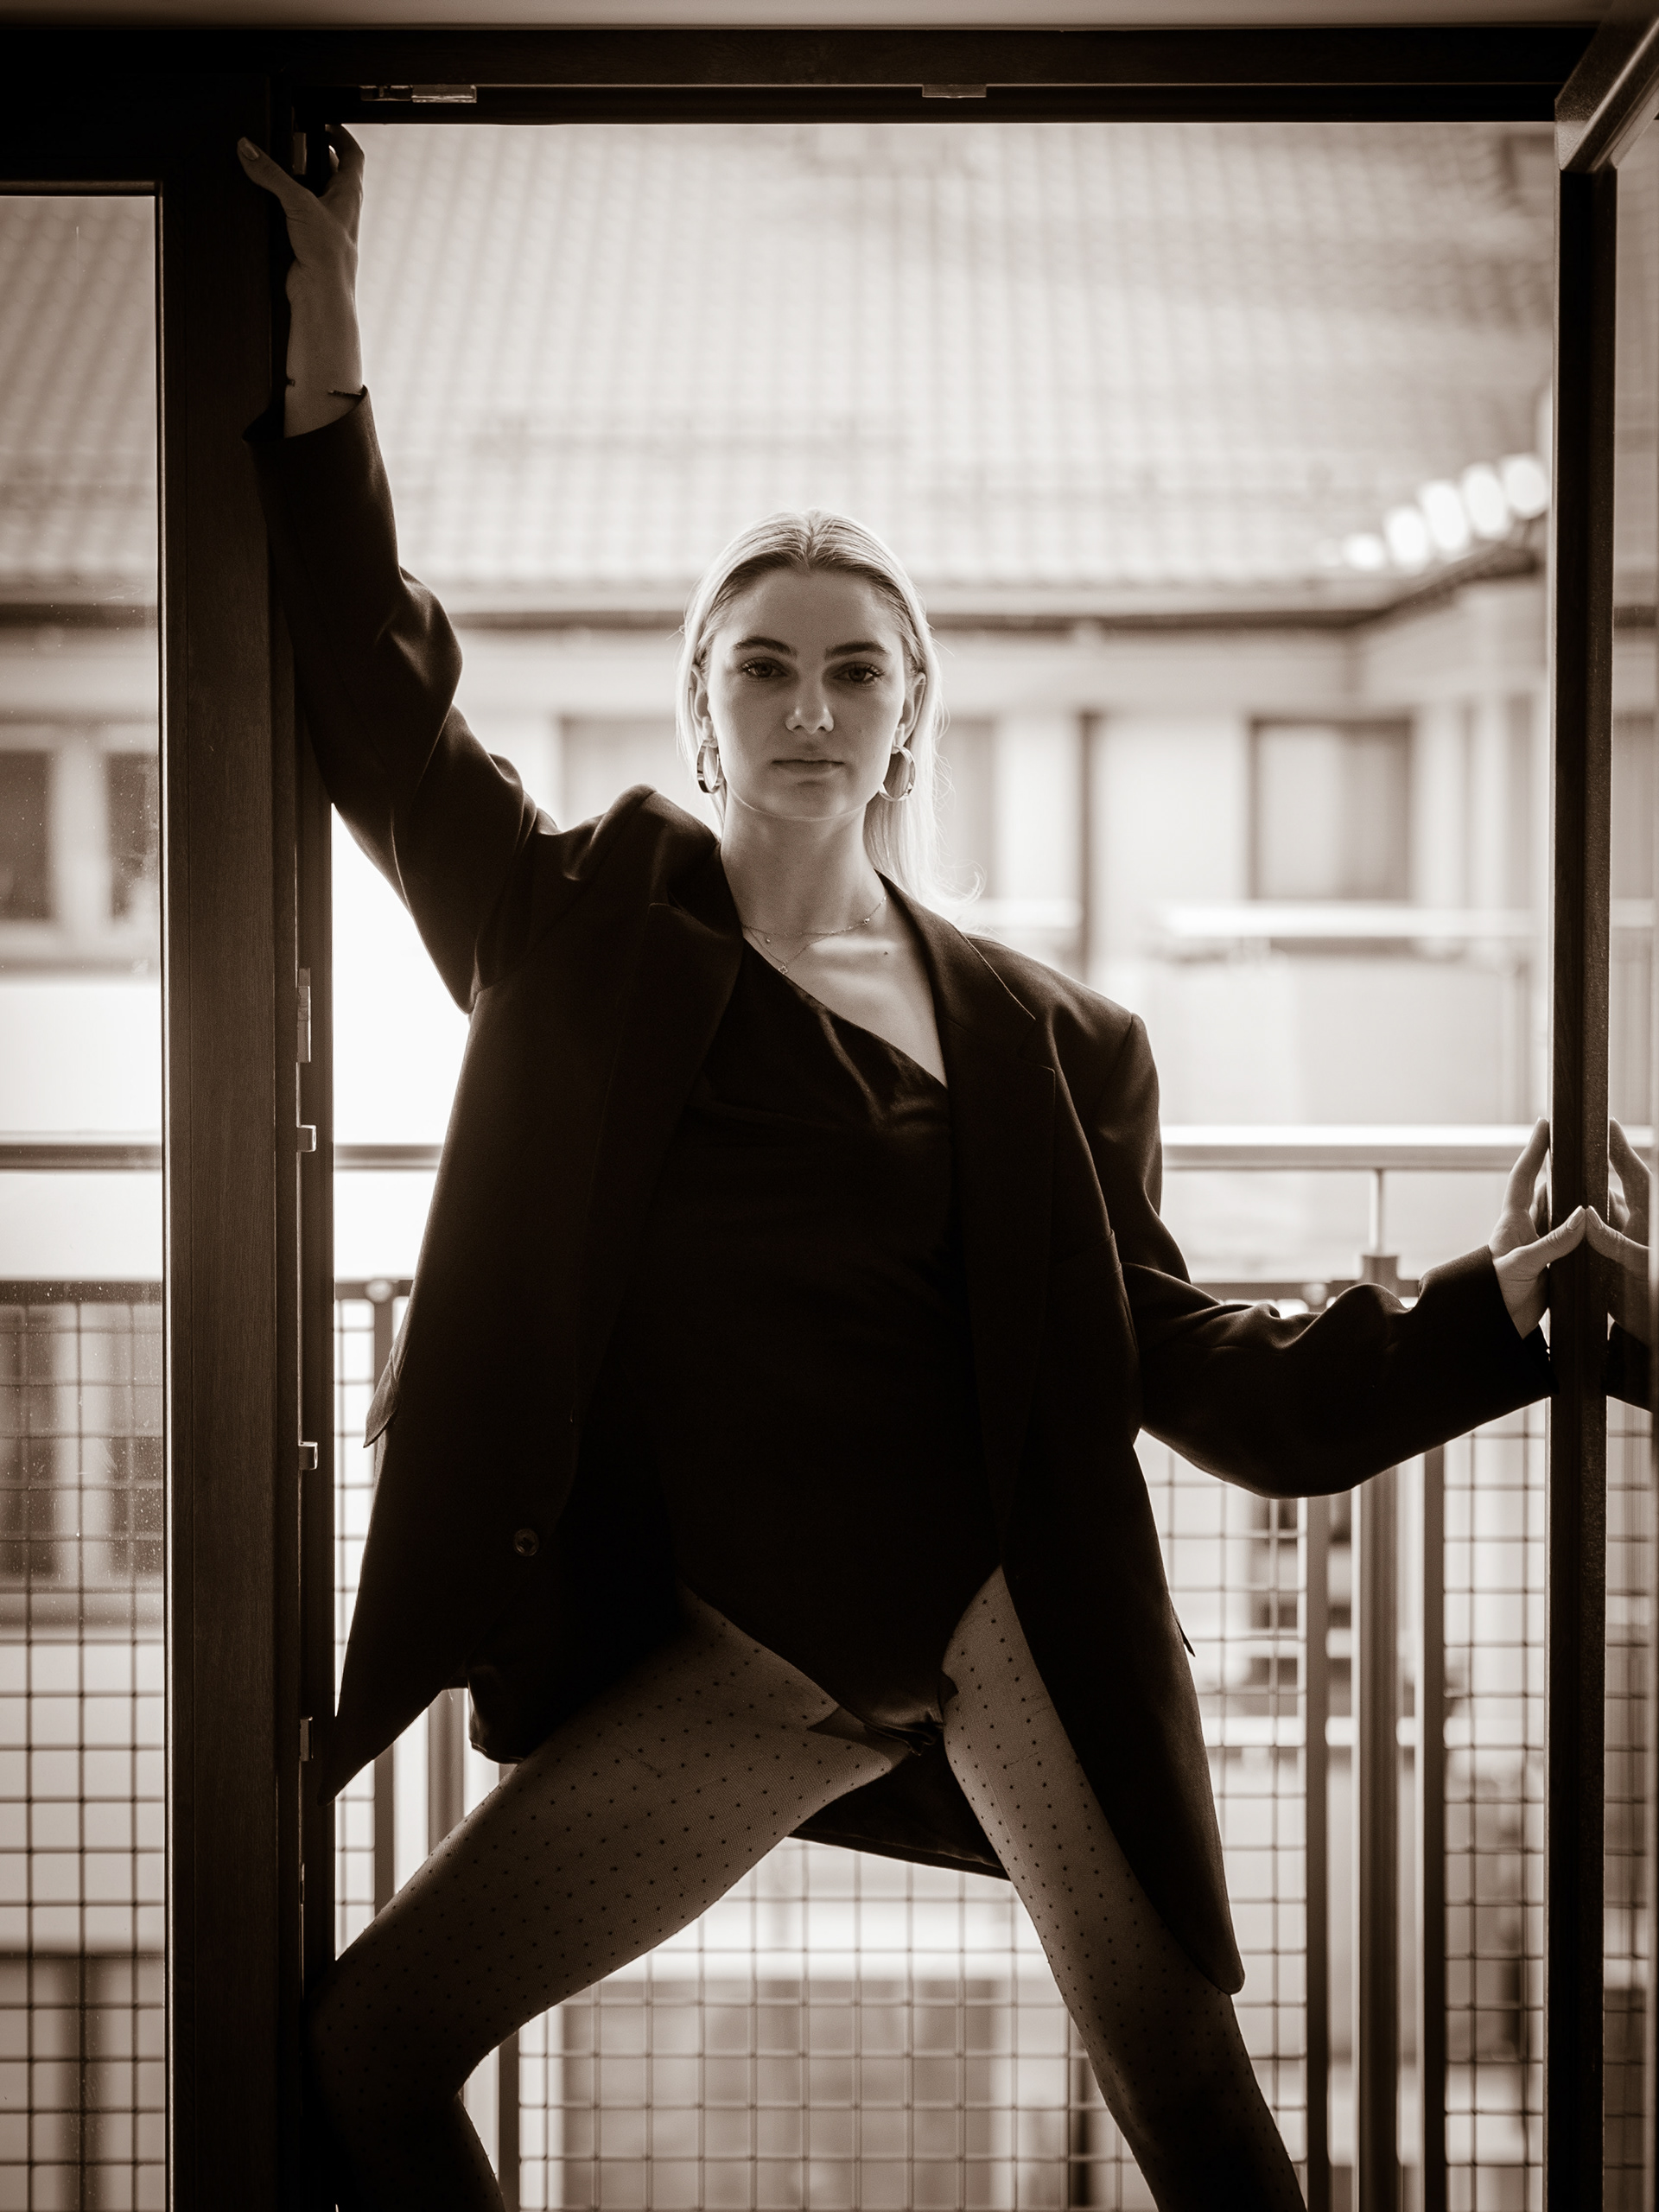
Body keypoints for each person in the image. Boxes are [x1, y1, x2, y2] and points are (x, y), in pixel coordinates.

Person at [239, 128, 1597, 2212]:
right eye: (766, 665)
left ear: (908, 718)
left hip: (999, 1615)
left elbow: (1197, 1363)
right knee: (371, 2043)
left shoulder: (1056, 1041)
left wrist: (1500, 1313)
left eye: (854, 667)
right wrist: (330, 372)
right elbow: (379, 709)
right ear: (703, 713)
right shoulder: (579, 926)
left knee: (1184, 2094)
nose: (811, 703)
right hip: (750, 1655)